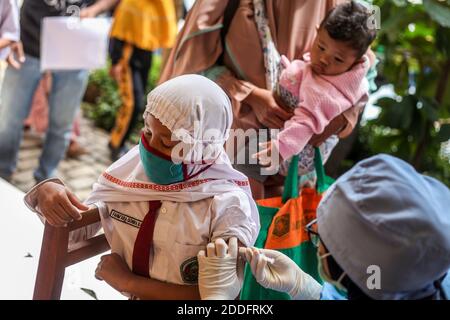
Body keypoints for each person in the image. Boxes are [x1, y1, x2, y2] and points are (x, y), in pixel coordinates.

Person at [24, 75, 260, 300]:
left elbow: (218, 296)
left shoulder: (228, 206)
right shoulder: (129, 177)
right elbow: (73, 237)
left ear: (203, 148)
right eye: (148, 131)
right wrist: (48, 193)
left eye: (167, 143)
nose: (151, 148)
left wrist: (128, 283)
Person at [159, 0, 375, 199]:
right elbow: (188, 66)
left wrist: (342, 117)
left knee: (277, 234)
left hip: (294, 171)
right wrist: (248, 94)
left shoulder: (359, 11)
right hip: (225, 152)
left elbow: (369, 61)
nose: (327, 59)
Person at [198, 154, 450, 300]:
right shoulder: (426, 274)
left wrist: (216, 299)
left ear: (352, 273)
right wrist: (308, 290)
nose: (317, 247)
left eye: (320, 238)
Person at [0, 0, 118, 183]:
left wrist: (95, 9)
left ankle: (46, 178)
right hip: (28, 43)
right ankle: (3, 173)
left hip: (74, 49)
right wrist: (10, 33)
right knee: (8, 118)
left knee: (62, 125)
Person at [255, 1, 376, 169]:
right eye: (321, 47)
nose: (324, 59)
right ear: (317, 30)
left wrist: (281, 147)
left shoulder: (324, 91)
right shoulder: (338, 71)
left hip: (291, 151)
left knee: (246, 163)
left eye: (338, 59)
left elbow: (307, 120)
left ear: (355, 62)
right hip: (287, 141)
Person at [108, 0, 177, 161]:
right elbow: (118, 31)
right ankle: (115, 144)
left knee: (140, 104)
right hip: (129, 55)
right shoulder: (132, 2)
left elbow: (168, 32)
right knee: (132, 104)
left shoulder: (163, 3)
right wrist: (116, 61)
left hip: (147, 55)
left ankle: (118, 141)